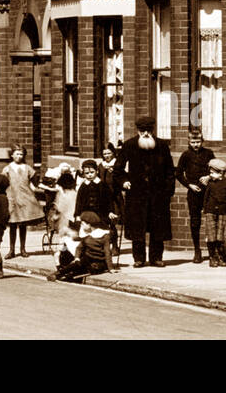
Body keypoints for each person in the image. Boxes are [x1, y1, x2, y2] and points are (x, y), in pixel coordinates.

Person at [116, 115, 175, 267]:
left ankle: (156, 258)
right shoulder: (129, 145)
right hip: (136, 194)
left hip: (158, 194)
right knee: (138, 227)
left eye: (149, 130)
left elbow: (169, 170)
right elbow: (118, 169)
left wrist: (168, 191)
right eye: (143, 131)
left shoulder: (162, 145)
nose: (146, 134)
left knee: (158, 227)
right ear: (138, 130)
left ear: (153, 130)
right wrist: (124, 182)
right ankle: (139, 258)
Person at [175, 127, 216, 263]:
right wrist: (189, 185)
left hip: (208, 191)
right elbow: (178, 174)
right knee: (195, 221)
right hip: (193, 192)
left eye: (198, 142)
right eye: (193, 142)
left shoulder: (209, 153)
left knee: (211, 219)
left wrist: (209, 177)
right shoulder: (186, 155)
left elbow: (216, 169)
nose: (195, 145)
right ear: (188, 142)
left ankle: (212, 251)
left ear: (202, 141)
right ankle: (197, 250)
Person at [1, 144, 43, 257]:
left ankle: (23, 249)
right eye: (17, 154)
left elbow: (34, 183)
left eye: (21, 154)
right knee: (13, 225)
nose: (19, 156)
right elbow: (2, 184)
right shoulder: (7, 169)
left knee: (23, 225)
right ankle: (11, 250)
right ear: (12, 155)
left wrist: (38, 188)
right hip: (12, 200)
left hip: (25, 199)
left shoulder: (27, 168)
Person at [50, 212, 110, 283]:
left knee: (81, 269)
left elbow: (107, 252)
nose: (81, 225)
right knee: (77, 264)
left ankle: (63, 275)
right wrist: (77, 258)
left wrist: (110, 268)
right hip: (87, 260)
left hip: (98, 264)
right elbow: (79, 248)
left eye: (83, 224)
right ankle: (59, 274)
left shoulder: (103, 235)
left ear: (89, 224)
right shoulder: (87, 236)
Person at [202, 158, 226, 267]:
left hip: (223, 213)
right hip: (210, 212)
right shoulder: (210, 184)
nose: (210, 175)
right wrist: (206, 210)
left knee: (220, 236)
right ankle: (212, 257)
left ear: (220, 173)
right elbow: (206, 198)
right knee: (211, 236)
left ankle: (221, 256)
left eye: (212, 173)